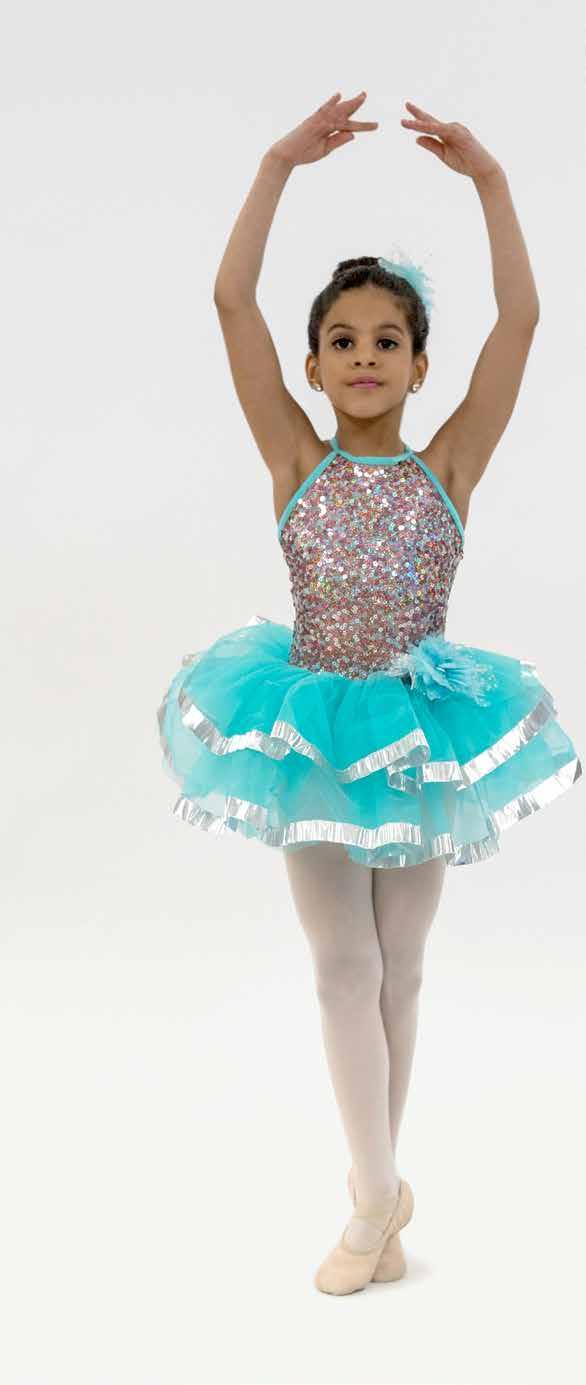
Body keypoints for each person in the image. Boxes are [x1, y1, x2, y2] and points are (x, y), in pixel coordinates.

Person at [157, 92, 582, 1295]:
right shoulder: (295, 459)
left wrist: (491, 182)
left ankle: (378, 1193)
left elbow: (523, 319)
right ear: (311, 365)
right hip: (309, 730)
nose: (360, 357)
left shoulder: (449, 466)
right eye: (339, 340)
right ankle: (370, 1203)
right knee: (341, 965)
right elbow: (230, 302)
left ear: (417, 364)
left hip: (421, 730)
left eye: (385, 340)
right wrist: (273, 164)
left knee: (401, 965)